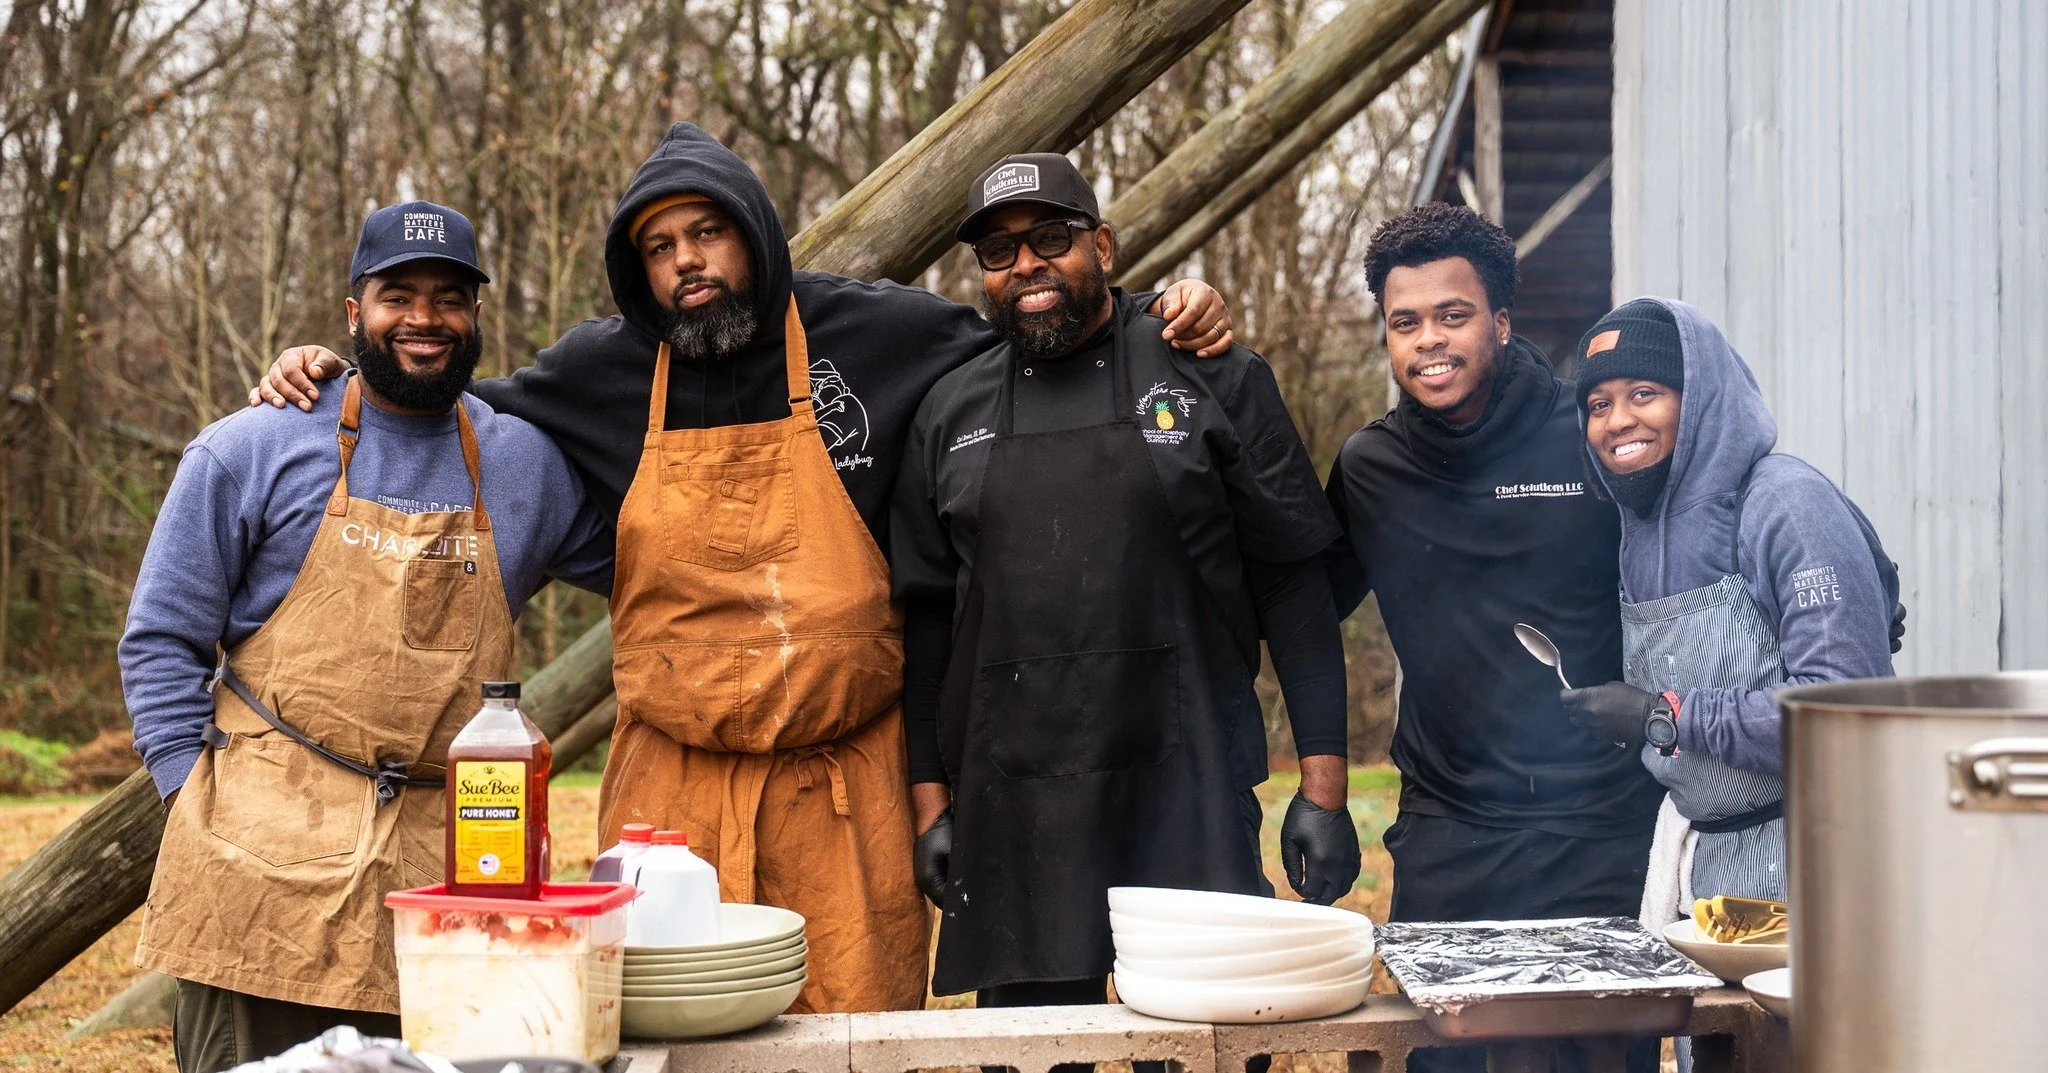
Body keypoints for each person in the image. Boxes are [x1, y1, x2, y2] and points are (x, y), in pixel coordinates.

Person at [246, 124, 1237, 1014]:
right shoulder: (601, 371)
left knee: (853, 1031)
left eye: (708, 233)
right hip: (665, 803)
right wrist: (330, 365)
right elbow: (441, 388)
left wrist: (1162, 309)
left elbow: (1043, 321)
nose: (688, 263)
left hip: (845, 792)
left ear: (754, 234)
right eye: (660, 247)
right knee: (667, 1031)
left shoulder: (880, 334)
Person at [121, 202, 615, 1073]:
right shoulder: (251, 446)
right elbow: (162, 637)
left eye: (449, 297)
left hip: (447, 881)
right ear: (354, 314)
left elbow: (648, 562)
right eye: (398, 295)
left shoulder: (525, 461)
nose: (424, 318)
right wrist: (187, 798)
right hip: (257, 864)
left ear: (474, 317)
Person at [890, 153, 1358, 1010]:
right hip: (1016, 811)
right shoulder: (946, 410)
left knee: (1200, 1048)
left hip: (1190, 791)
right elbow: (924, 628)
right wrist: (931, 806)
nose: (1026, 263)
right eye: (999, 250)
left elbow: (1293, 587)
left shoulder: (1211, 370)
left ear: (1102, 245)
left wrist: (1324, 791)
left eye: (1052, 238)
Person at [1322, 204, 1664, 1073]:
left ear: (1501, 323)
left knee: (1593, 1061)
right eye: (1405, 322)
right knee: (1446, 1060)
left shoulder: (1584, 434)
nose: (1428, 340)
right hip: (1452, 823)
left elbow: (1709, 526)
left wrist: (1838, 561)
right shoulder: (1371, 468)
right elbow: (1297, 601)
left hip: (1600, 820)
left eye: (1453, 314)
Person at [1566, 297, 1899, 926]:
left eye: (1644, 392)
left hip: (1813, 855)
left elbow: (1843, 714)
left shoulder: (1785, 500)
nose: (1617, 421)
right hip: (1712, 864)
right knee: (1716, 1028)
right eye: (1599, 404)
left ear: (1701, 399)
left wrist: (1663, 716)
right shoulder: (1637, 524)